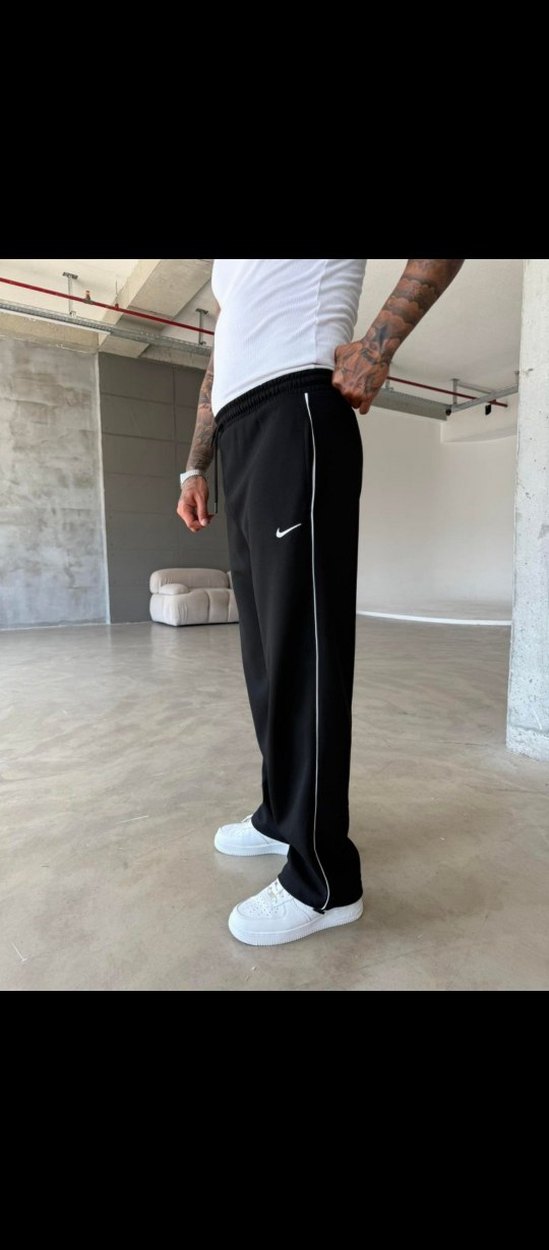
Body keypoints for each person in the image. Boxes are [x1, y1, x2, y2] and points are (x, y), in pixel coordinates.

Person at [177, 259, 464, 947]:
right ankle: (283, 816)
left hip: (297, 407)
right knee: (266, 657)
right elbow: (223, 349)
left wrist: (377, 347)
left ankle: (324, 880)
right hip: (241, 431)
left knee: (303, 652)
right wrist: (196, 463)